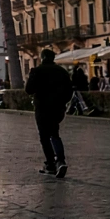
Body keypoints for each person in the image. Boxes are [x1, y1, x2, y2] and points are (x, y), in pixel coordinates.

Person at [26, 49, 72, 178]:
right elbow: (70, 90)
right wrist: (62, 101)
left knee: (44, 137)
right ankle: (61, 161)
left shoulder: (37, 71)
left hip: (42, 108)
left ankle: (51, 164)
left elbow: (28, 90)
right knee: (54, 134)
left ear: (42, 58)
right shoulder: (62, 71)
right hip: (58, 108)